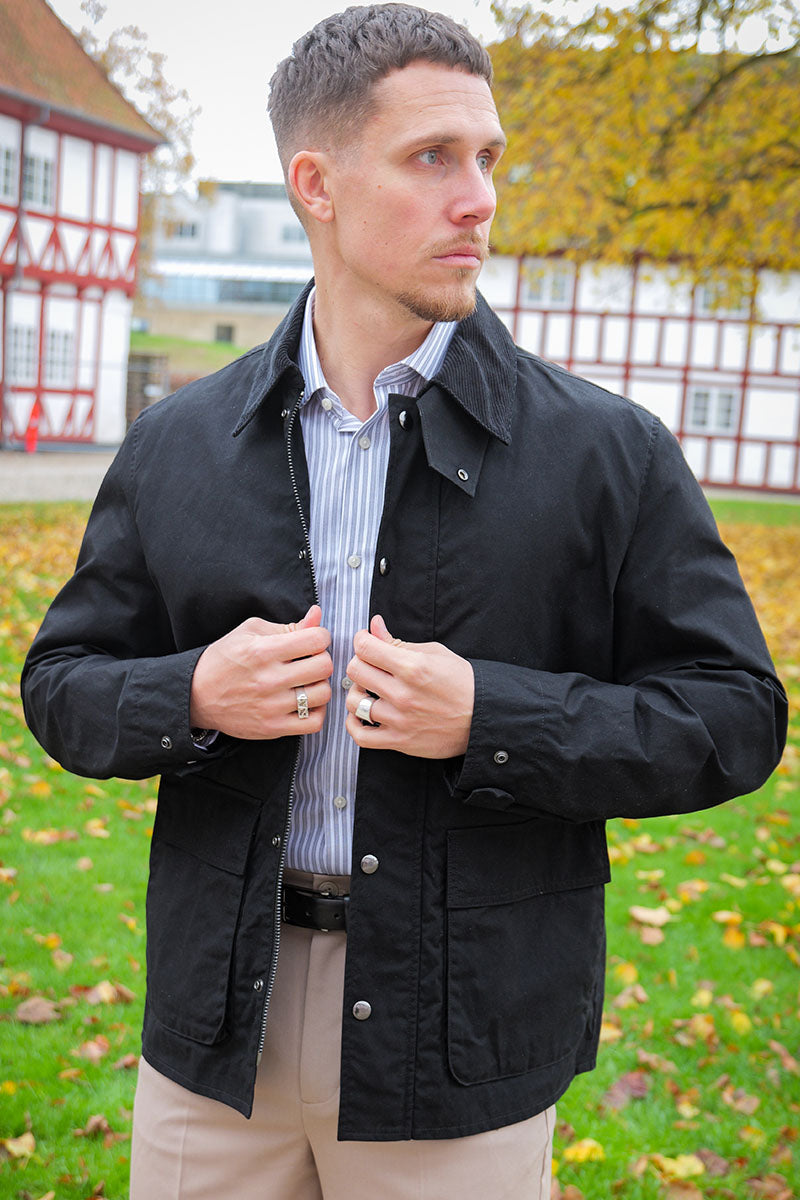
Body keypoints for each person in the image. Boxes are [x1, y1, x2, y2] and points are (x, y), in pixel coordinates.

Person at [21, 4, 787, 1198]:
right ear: (315, 185)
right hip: (216, 1030)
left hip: (460, 1034)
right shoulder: (177, 443)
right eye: (432, 157)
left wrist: (491, 716)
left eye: (486, 158)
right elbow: (60, 689)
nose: (477, 198)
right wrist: (194, 693)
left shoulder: (607, 452)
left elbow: (733, 718)